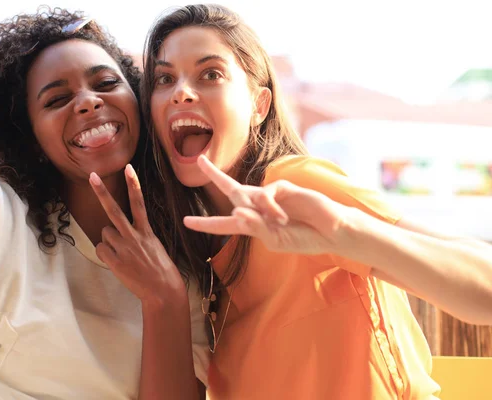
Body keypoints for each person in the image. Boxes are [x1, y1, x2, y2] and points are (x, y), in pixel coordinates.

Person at [141, 4, 492, 399]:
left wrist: (345, 233)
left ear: (259, 106)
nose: (181, 92)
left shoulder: (294, 185)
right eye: (164, 78)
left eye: (211, 74)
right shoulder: (200, 257)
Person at [0, 7, 208, 399]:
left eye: (107, 82)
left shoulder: (182, 256)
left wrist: (165, 299)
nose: (88, 102)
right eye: (57, 99)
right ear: (31, 141)